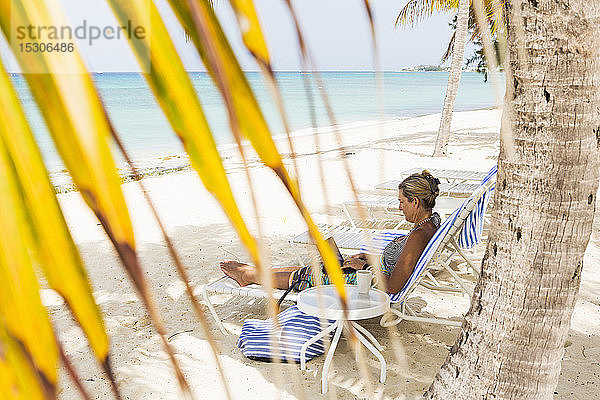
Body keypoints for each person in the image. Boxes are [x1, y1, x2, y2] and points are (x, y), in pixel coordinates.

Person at [220, 170, 441, 294]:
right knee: (318, 266)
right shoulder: (431, 222)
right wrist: (369, 259)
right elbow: (400, 264)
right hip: (372, 271)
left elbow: (394, 286)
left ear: (415, 201)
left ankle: (247, 275)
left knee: (309, 276)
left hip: (369, 281)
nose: (399, 207)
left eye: (402, 202)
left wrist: (363, 267)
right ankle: (258, 271)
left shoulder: (419, 235)